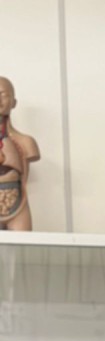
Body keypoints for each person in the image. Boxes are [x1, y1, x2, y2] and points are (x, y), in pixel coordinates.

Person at [0, 77, 39, 231]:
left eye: (3, 94)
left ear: (14, 102)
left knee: (22, 244)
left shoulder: (26, 142)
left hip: (17, 202)